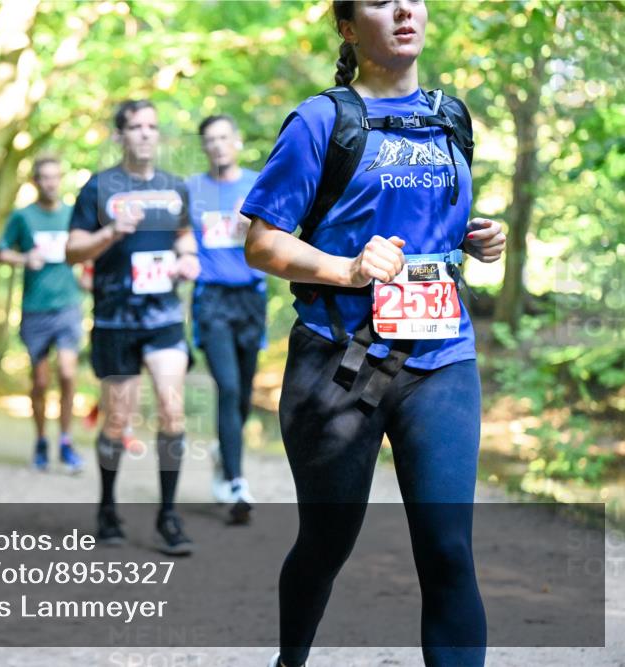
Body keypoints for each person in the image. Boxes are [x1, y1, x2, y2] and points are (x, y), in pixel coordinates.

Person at [241, 2, 506, 666]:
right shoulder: (320, 120)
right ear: (350, 27)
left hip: (440, 357)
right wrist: (348, 268)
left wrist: (475, 235)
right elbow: (262, 243)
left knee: (448, 548)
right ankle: (289, 660)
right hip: (339, 363)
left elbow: (429, 223)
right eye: (382, 1)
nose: (405, 11)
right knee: (327, 541)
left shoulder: (451, 117)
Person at [66, 99, 200, 556]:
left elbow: (185, 237)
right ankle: (107, 507)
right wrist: (110, 233)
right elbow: (72, 249)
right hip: (114, 320)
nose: (145, 134)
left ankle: (168, 516)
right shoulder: (99, 187)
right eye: (135, 127)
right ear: (120, 136)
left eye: (152, 126)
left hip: (163, 319)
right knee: (118, 419)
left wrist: (188, 260)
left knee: (172, 410)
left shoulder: (174, 187)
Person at [187, 114, 266, 524]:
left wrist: (253, 223)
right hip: (212, 300)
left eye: (223, 137)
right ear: (204, 147)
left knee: (245, 394)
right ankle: (237, 483)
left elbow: (285, 232)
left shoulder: (257, 183)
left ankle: (225, 450)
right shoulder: (192, 190)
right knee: (228, 387)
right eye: (210, 140)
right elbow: (178, 238)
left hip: (250, 299)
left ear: (236, 141)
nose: (217, 145)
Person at [0, 156, 85, 474]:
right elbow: (0, 251)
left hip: (68, 306)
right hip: (35, 309)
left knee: (67, 372)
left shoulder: (73, 215)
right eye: (44, 178)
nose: (50, 183)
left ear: (61, 179)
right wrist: (23, 259)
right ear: (35, 181)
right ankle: (40, 440)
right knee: (41, 380)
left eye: (55, 177)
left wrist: (87, 273)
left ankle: (65, 439)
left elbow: (85, 252)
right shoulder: (23, 217)